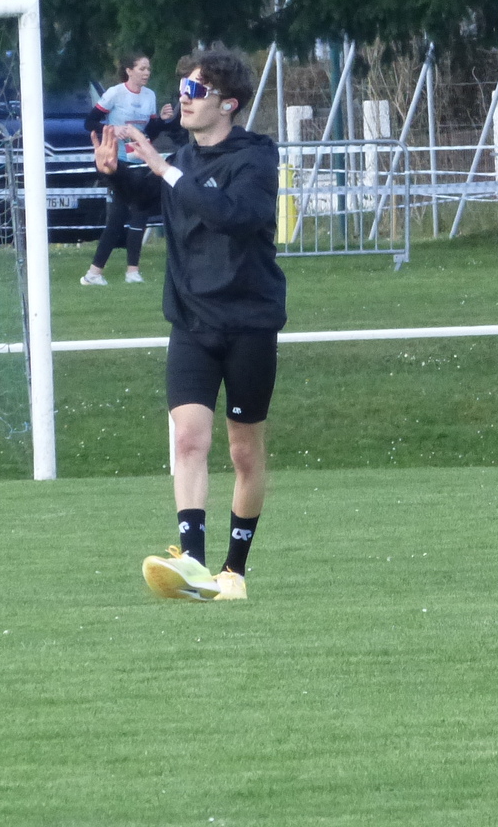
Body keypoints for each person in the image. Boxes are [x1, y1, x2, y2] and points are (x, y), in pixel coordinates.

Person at [93, 47, 284, 601]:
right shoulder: (181, 160)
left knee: (244, 452)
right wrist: (115, 176)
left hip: (248, 323)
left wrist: (163, 167)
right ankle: (194, 563)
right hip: (192, 322)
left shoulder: (255, 159)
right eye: (182, 88)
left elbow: (233, 215)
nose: (184, 97)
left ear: (229, 104)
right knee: (189, 438)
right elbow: (146, 197)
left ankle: (234, 571)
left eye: (196, 90)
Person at [81, 53, 174, 286]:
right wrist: (113, 129)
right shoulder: (115, 93)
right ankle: (97, 273)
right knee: (121, 214)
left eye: (148, 69)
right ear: (129, 71)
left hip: (139, 161)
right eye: (142, 68)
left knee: (138, 212)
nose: (146, 73)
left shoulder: (149, 96)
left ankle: (127, 271)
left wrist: (162, 120)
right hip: (116, 163)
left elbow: (149, 133)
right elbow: (89, 122)